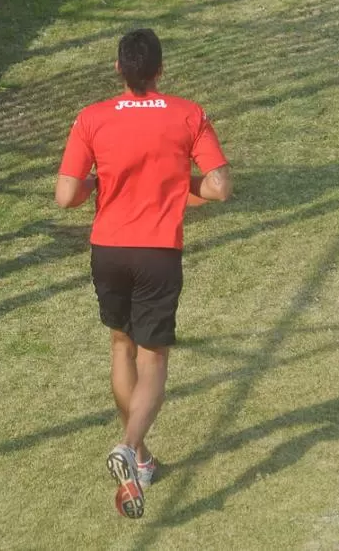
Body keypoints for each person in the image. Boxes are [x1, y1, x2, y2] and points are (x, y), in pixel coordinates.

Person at [55, 28, 232, 519]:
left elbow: (66, 197)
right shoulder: (188, 114)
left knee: (121, 346)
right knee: (154, 359)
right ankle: (129, 446)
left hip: (107, 249)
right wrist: (179, 183)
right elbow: (218, 187)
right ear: (160, 70)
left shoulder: (91, 118)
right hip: (157, 251)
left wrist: (97, 183)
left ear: (118, 69)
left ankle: (143, 460)